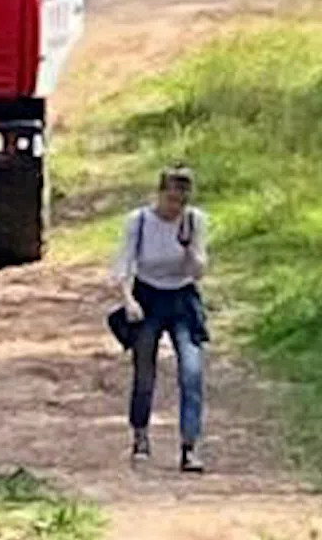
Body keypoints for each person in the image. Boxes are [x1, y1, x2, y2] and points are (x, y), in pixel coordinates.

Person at [110, 165, 211, 473]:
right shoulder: (139, 222)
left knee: (191, 373)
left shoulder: (194, 221)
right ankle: (140, 435)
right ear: (160, 195)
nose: (174, 208)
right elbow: (123, 265)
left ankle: (190, 446)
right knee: (144, 372)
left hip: (182, 297)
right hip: (148, 295)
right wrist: (129, 300)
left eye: (181, 201)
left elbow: (199, 271)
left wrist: (189, 249)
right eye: (170, 200)